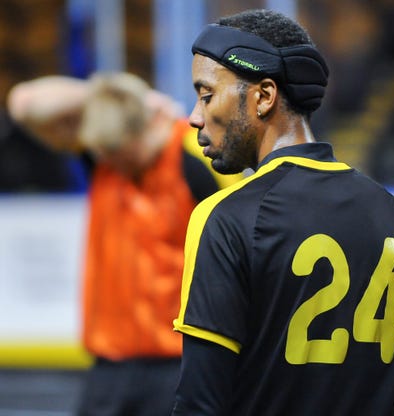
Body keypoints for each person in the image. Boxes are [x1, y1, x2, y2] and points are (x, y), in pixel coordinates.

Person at [170, 9, 394, 416]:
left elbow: (198, 405)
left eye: (206, 94)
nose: (195, 116)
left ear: (264, 96)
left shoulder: (226, 217)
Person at [7, 72, 241, 416]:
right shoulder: (109, 147)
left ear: (150, 126)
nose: (111, 162)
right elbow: (24, 104)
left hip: (179, 361)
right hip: (110, 363)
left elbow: (238, 253)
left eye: (120, 153)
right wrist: (108, 94)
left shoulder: (198, 159)